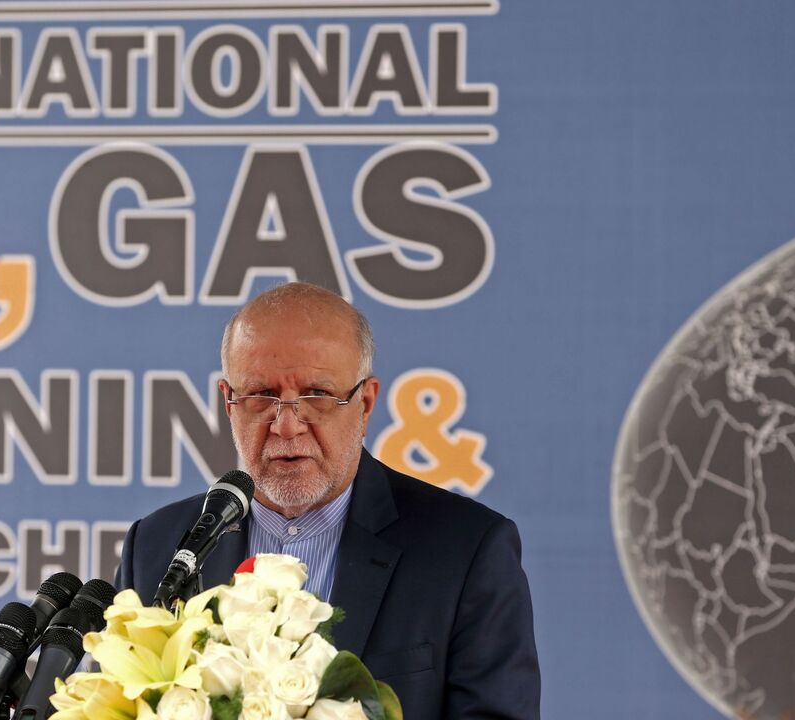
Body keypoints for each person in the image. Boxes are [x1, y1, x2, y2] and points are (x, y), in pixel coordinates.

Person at [116, 282, 540, 719]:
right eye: (261, 394)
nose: (286, 426)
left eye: (317, 395)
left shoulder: (464, 551)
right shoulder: (158, 544)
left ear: (366, 403)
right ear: (229, 402)